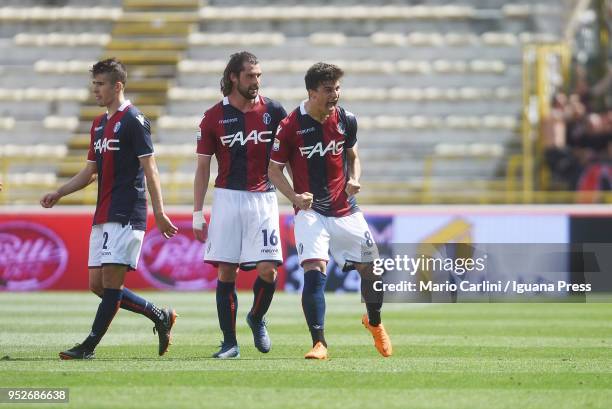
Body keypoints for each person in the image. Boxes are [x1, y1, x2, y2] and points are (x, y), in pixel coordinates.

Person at [40, 58, 178, 359]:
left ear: (117, 85)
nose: (95, 90)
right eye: (93, 84)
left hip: (127, 212)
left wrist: (160, 211)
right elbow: (90, 171)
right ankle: (160, 315)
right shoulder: (99, 124)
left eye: (100, 84)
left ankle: (88, 346)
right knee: (98, 285)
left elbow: (150, 168)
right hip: (103, 212)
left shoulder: (134, 120)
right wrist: (60, 192)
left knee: (112, 285)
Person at [268, 62, 392, 359]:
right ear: (311, 92)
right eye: (328, 89)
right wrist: (295, 197)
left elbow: (353, 156)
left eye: (337, 88)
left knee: (372, 270)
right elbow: (274, 170)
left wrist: (355, 178)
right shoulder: (289, 127)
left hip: (345, 208)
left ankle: (373, 322)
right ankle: (319, 342)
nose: (334, 94)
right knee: (314, 271)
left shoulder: (346, 119)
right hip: (311, 212)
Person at [193, 51, 287, 358]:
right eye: (250, 75)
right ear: (233, 77)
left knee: (268, 270)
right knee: (226, 272)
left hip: (264, 198)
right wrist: (197, 212)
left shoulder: (274, 111)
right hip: (227, 199)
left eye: (259, 75)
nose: (256, 81)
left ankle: (257, 317)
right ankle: (229, 342)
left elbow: (290, 159)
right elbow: (203, 168)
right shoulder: (212, 117)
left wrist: (298, 195)